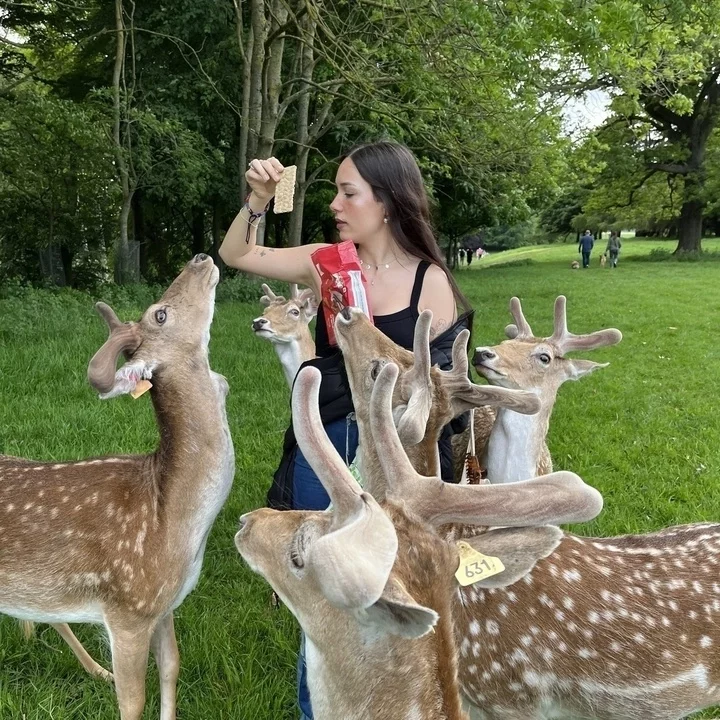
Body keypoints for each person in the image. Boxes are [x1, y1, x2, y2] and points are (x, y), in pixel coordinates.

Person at [219, 141, 473, 720]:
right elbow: (238, 254)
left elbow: (437, 391)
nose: (334, 204)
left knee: (395, 575)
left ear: (387, 202)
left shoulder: (428, 282)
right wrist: (258, 200)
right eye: (336, 191)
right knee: (323, 577)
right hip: (329, 440)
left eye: (347, 193)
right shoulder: (326, 262)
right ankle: (317, 707)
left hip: (395, 455)